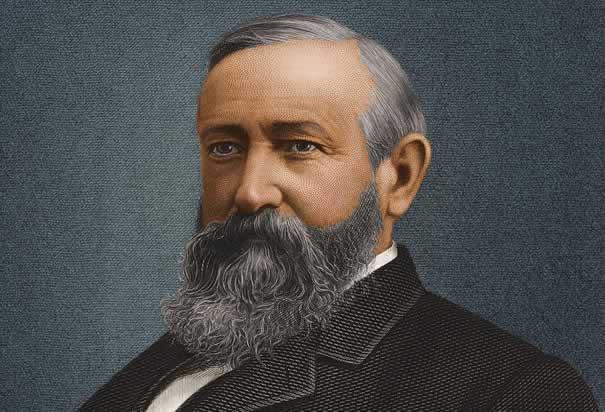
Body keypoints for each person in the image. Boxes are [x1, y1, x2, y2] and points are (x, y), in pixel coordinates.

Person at [80, 15, 597, 411]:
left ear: (399, 176)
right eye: (225, 148)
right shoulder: (167, 361)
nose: (251, 192)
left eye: (299, 146)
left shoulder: (512, 391)